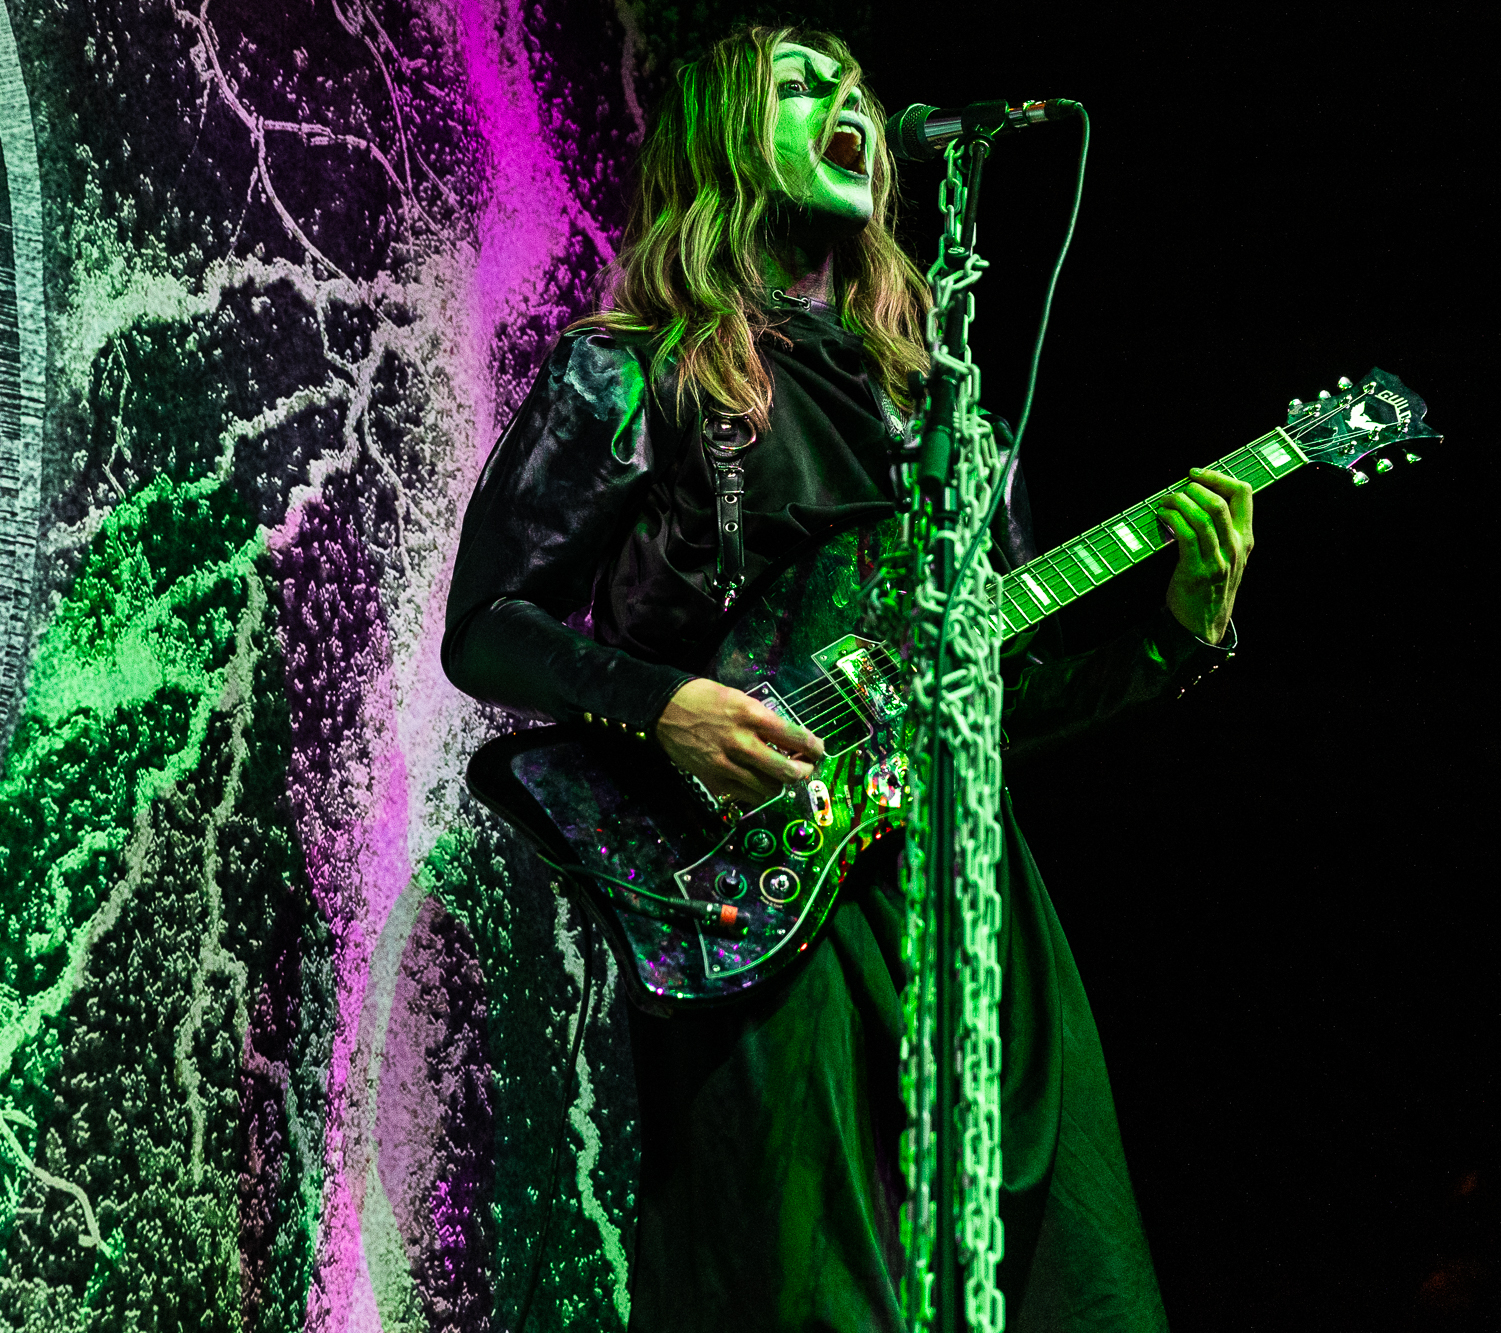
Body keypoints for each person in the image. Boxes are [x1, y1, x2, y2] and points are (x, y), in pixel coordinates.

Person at [441, 26, 1253, 1333]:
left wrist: (1175, 635)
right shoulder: (634, 368)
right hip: (762, 897)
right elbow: (488, 625)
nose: (848, 102)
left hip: (968, 900)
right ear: (721, 135)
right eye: (802, 84)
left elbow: (1006, 705)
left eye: (854, 86)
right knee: (812, 1295)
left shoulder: (952, 422)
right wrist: (666, 703)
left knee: (1072, 1285)